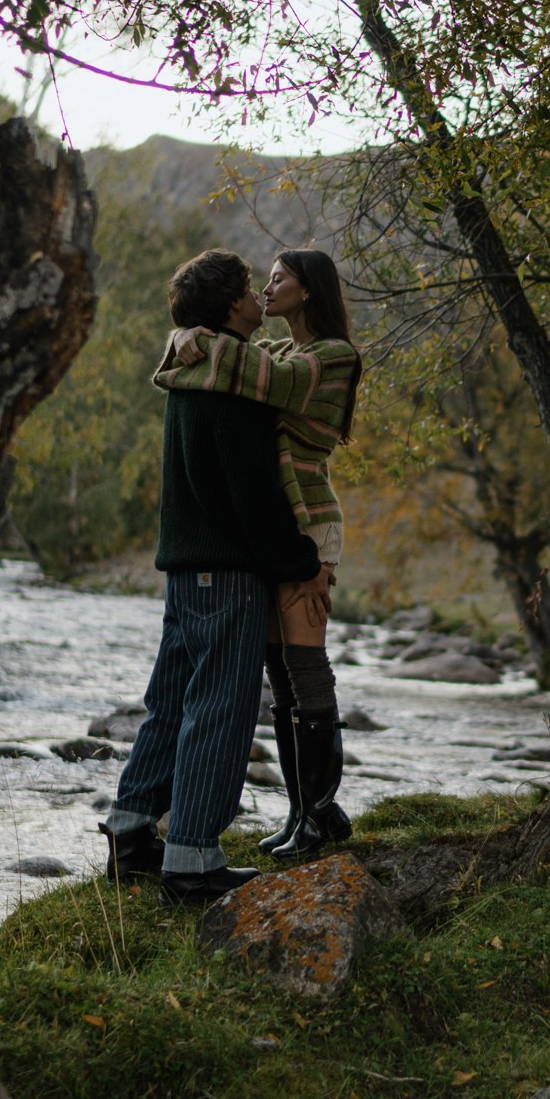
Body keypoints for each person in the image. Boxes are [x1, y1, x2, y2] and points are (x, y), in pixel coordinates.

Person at [101, 250, 322, 902]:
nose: (259, 298)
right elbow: (249, 492)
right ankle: (191, 860)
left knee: (171, 702)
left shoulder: (190, 369)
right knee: (221, 709)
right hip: (225, 572)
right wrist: (295, 558)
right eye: (251, 289)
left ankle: (133, 827)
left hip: (185, 568)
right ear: (232, 306)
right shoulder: (237, 380)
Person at [150, 248, 361, 861]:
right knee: (278, 672)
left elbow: (263, 382)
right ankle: (303, 812)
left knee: (305, 665)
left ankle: (320, 811)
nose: (266, 289)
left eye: (278, 279)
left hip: (308, 531)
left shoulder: (332, 358)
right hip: (273, 533)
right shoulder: (274, 351)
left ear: (310, 290)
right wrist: (182, 340)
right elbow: (206, 371)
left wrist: (189, 337)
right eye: (262, 281)